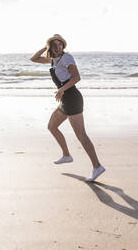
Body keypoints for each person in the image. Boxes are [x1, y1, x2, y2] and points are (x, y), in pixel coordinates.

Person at [30, 34, 105, 182]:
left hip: (72, 98)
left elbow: (77, 77)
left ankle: (97, 167)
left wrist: (61, 90)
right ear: (50, 47)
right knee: (52, 126)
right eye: (55, 45)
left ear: (63, 46)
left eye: (60, 44)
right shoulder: (53, 59)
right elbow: (33, 59)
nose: (58, 47)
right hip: (65, 99)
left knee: (81, 135)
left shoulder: (67, 58)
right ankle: (66, 155)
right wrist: (45, 47)